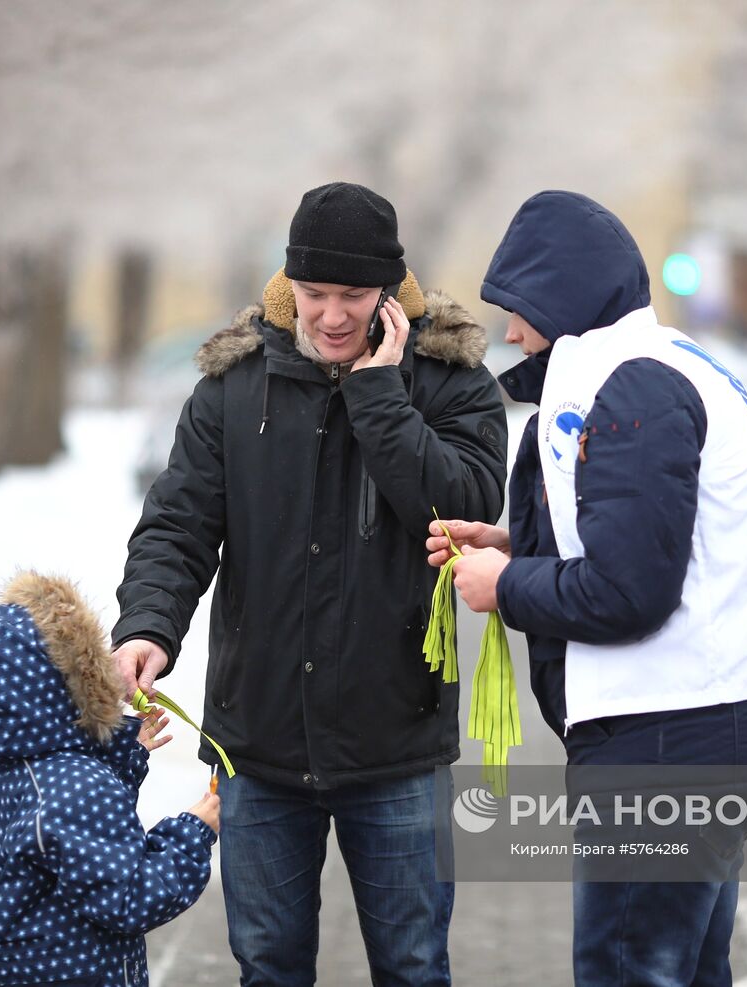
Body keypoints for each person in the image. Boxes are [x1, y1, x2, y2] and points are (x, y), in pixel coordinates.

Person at [111, 181, 508, 985]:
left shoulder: (449, 379)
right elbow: (178, 523)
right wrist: (149, 624)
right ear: (288, 284)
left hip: (397, 746)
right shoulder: (234, 384)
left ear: (390, 293)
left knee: (413, 966)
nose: (331, 315)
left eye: (353, 295)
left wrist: (377, 392)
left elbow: (466, 504)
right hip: (256, 748)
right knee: (269, 967)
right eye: (314, 292)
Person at [429, 190, 747, 986]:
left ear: (566, 298)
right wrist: (519, 543)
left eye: (521, 308)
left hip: (668, 743)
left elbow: (628, 590)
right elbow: (656, 535)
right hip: (715, 730)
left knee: (628, 967)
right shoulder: (669, 365)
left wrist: (507, 584)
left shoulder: (627, 386)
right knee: (685, 968)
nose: (511, 331)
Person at [0, 571, 218, 987]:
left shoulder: (16, 770)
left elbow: (81, 843)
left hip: (27, 966)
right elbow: (129, 898)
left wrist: (122, 755)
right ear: (63, 685)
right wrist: (192, 833)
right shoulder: (78, 787)